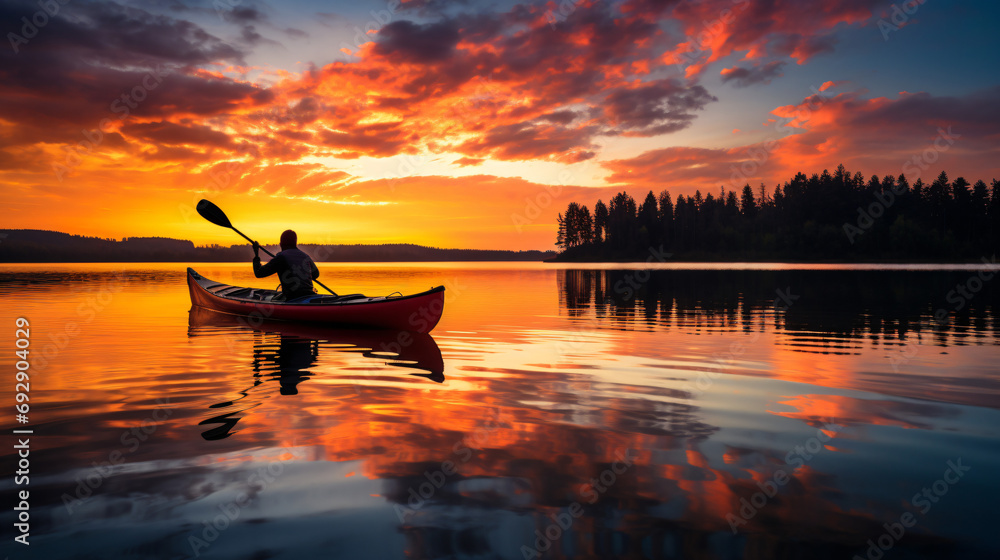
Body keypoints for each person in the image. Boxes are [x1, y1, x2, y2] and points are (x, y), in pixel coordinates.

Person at [252, 230, 320, 300]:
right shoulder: (305, 256)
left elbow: (259, 273)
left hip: (292, 297)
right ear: (295, 243)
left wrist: (256, 253)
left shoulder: (281, 257)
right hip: (309, 295)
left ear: (281, 244)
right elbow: (316, 274)